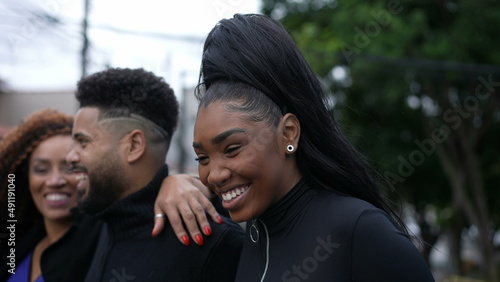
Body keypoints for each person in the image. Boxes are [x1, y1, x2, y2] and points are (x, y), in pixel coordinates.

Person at [191, 14, 435, 281]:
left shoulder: (359, 231)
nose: (214, 175)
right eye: (202, 158)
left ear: (288, 134)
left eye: (232, 149)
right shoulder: (248, 237)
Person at [0, 109, 227, 281]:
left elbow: (136, 200)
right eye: (41, 169)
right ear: (25, 177)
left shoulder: (104, 231)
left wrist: (176, 181)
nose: (55, 181)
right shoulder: (17, 235)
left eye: (70, 167)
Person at [66, 67, 244, 281]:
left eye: (83, 142)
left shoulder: (217, 244)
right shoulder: (103, 225)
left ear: (134, 145)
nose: (70, 156)